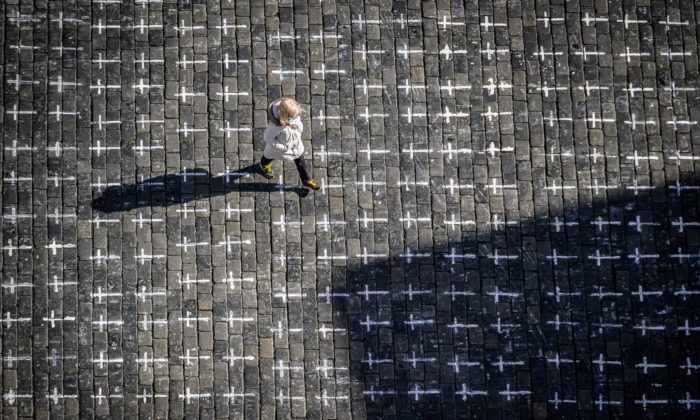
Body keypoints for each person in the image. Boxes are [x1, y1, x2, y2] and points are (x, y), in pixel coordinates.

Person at [259, 97, 320, 190]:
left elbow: (299, 124)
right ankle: (263, 165)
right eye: (292, 115)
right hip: (279, 149)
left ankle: (307, 180)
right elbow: (268, 138)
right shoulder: (276, 126)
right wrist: (283, 147)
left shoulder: (294, 116)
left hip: (296, 146)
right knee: (268, 157)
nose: (295, 116)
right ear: (285, 115)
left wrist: (299, 132)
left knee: (300, 161)